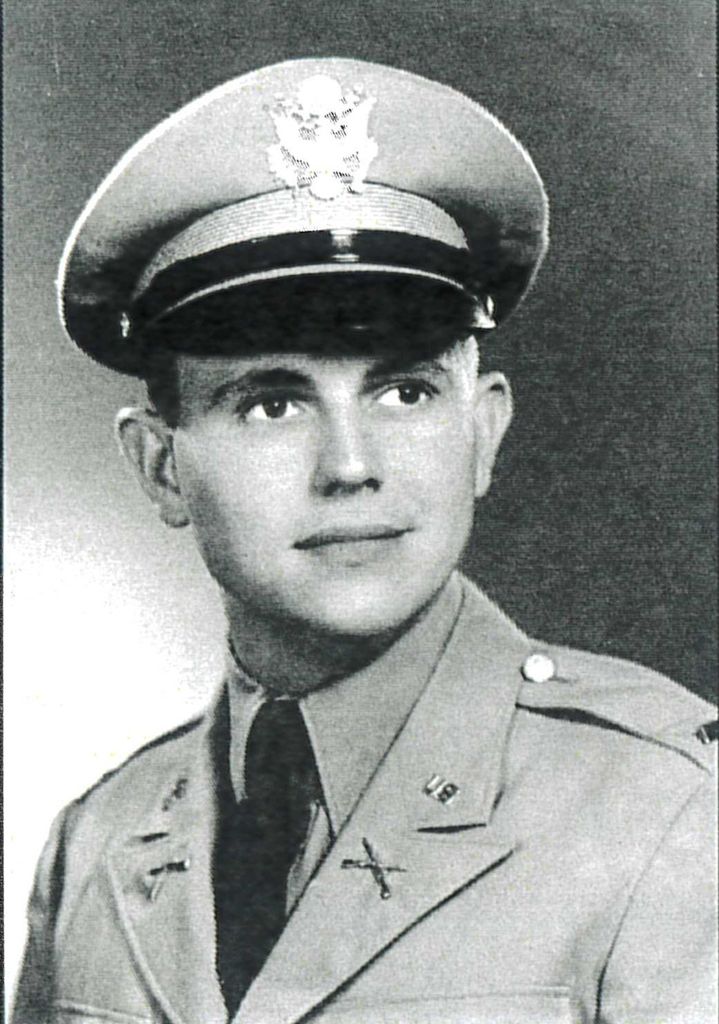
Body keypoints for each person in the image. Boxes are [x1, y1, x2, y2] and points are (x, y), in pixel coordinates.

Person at [12, 57, 717, 1024]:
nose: (350, 465)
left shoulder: (669, 809)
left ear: (482, 433)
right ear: (160, 467)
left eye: (404, 392)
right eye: (271, 404)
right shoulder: (96, 842)